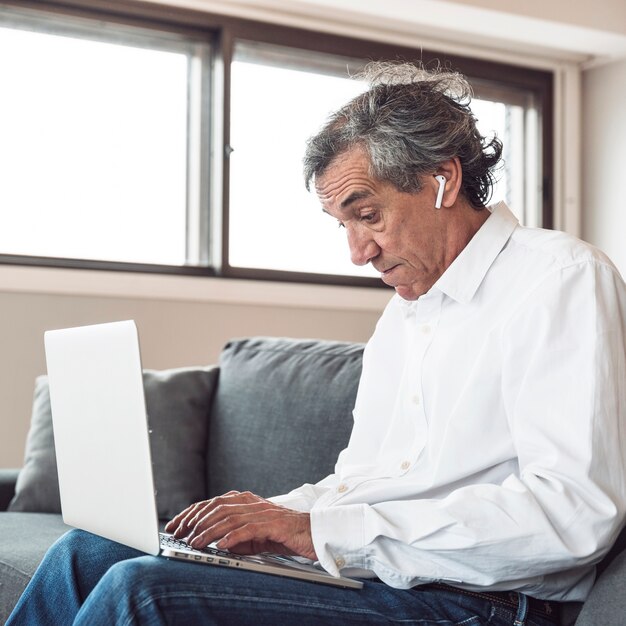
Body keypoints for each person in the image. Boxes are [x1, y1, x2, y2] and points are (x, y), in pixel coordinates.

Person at [7, 62, 626, 626]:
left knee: (142, 592)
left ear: (443, 179)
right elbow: (362, 480)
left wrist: (319, 531)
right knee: (86, 553)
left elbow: (572, 513)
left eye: (369, 215)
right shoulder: (406, 315)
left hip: (481, 601)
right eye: (344, 226)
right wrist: (263, 515)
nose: (357, 253)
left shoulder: (561, 279)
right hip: (383, 577)